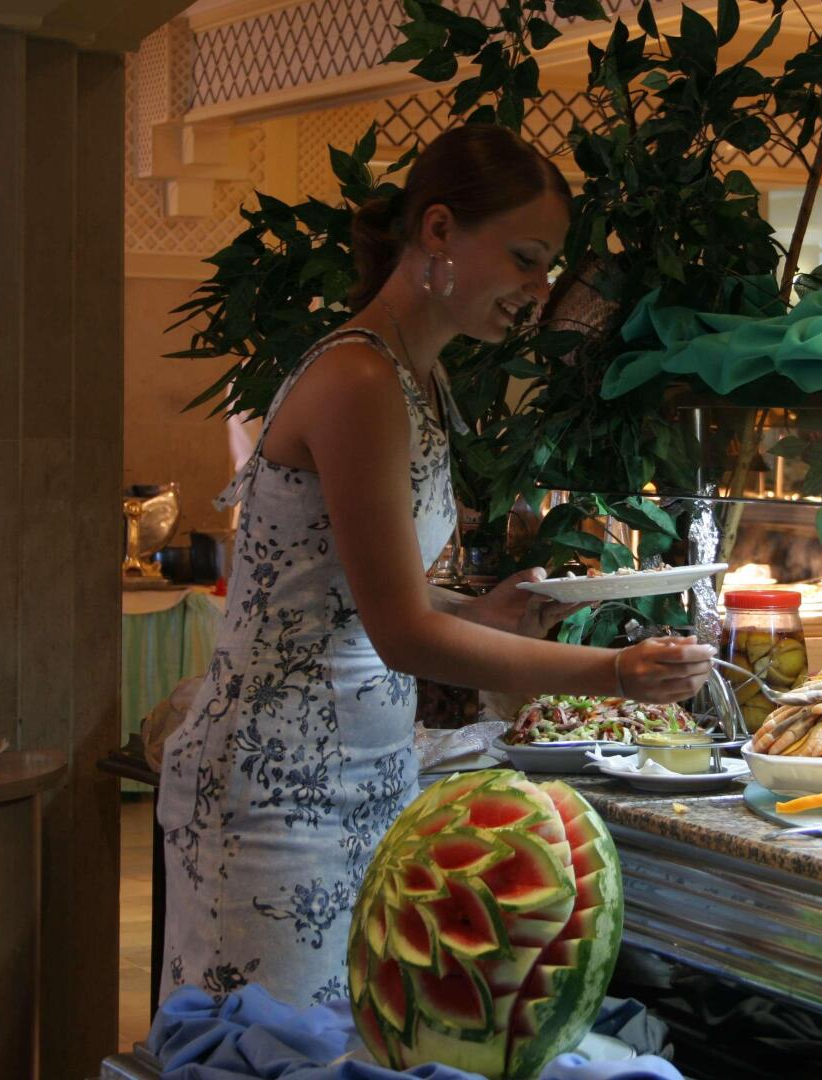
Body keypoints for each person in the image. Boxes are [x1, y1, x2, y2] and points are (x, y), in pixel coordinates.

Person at [157, 125, 715, 1008]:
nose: (538, 289)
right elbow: (401, 634)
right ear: (441, 231)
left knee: (346, 1046)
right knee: (270, 1053)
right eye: (526, 258)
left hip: (364, 765)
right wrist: (613, 672)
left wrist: (483, 612)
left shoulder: (422, 378)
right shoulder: (360, 380)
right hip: (279, 784)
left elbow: (364, 594)